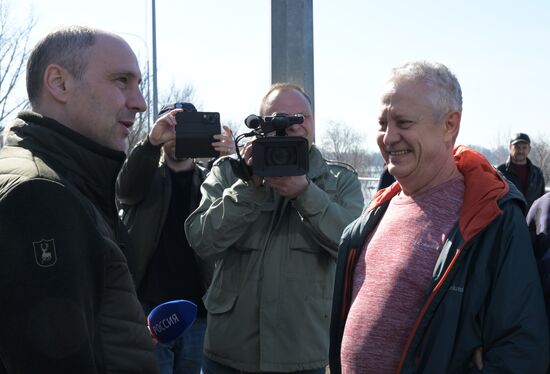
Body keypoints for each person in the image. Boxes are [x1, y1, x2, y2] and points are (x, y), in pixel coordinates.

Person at [329, 61, 549, 373]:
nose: (388, 138)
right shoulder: (375, 214)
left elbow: (521, 350)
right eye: (382, 123)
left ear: (449, 125)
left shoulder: (492, 217)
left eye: (403, 123)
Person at [0, 26, 158, 373]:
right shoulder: (40, 195)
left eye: (139, 84)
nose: (140, 103)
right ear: (59, 83)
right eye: (121, 81)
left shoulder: (70, 178)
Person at [184, 83, 364, 373]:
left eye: (300, 117)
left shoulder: (339, 180)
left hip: (303, 353)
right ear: (260, 125)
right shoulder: (230, 172)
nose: (291, 126)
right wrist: (248, 188)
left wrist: (304, 193)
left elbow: (352, 249)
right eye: (279, 118)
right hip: (229, 352)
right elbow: (202, 239)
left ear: (313, 122)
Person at [116, 101, 235, 374]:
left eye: (188, 128)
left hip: (197, 314)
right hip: (149, 310)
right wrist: (150, 143)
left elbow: (232, 219)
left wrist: (227, 163)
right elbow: (125, 189)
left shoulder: (211, 181)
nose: (179, 136)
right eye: (172, 127)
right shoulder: (145, 176)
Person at [497, 132, 545, 211]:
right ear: (510, 147)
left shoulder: (537, 173)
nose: (521, 151)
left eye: (524, 147)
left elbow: (542, 201)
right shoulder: (500, 172)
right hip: (509, 221)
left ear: (529, 149)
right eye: (517, 147)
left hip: (531, 221)